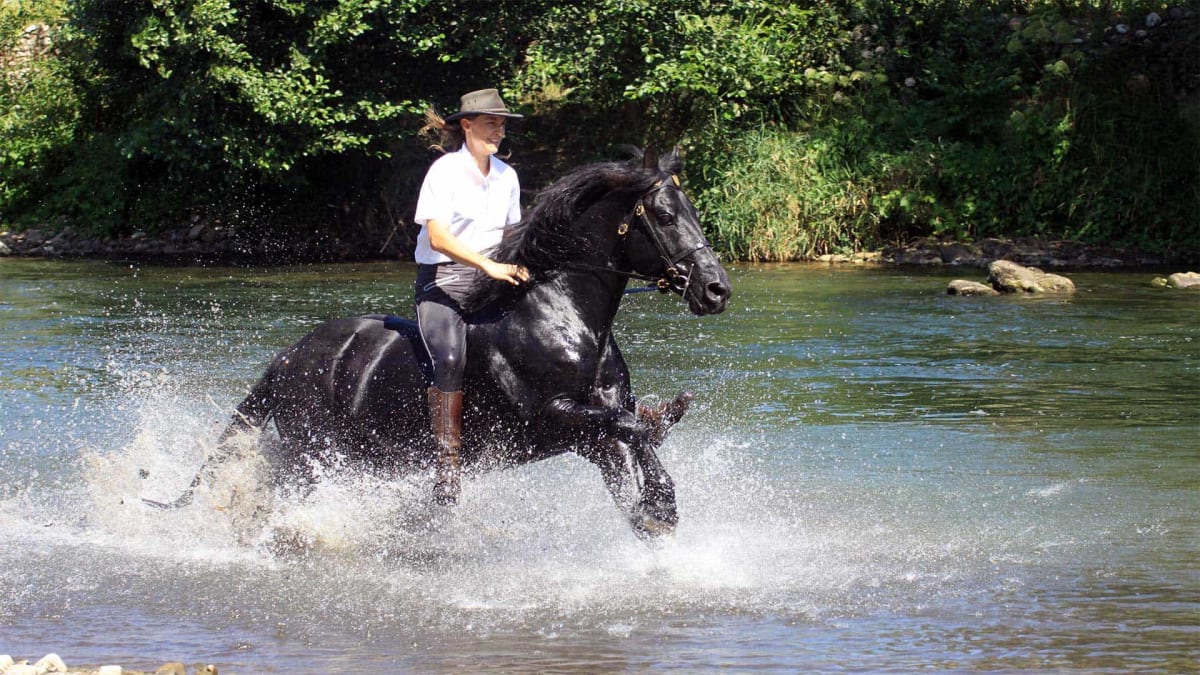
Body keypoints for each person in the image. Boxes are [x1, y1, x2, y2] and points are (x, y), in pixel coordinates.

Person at [413, 88, 530, 505]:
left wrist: (522, 268)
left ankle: (626, 411)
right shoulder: (444, 171)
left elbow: (512, 238)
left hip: (491, 278)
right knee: (449, 358)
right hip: (442, 283)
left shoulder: (507, 176)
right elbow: (439, 237)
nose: (498, 131)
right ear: (466, 125)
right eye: (490, 123)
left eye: (501, 124)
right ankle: (446, 470)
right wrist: (489, 265)